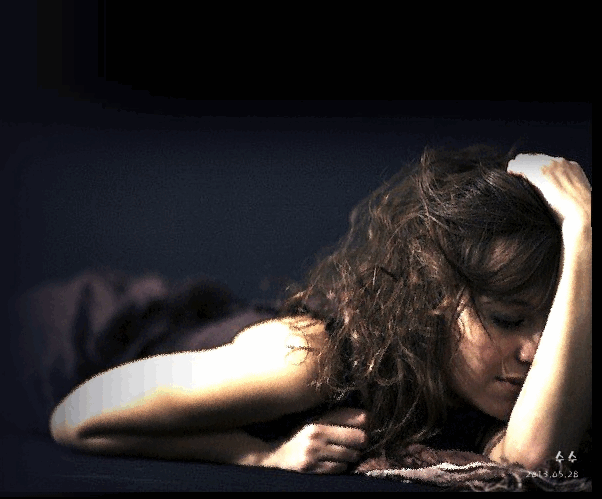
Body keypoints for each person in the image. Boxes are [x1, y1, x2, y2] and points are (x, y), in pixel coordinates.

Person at [48, 145, 591, 475]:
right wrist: (255, 456)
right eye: (507, 319)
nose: (536, 353)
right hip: (73, 335)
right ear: (436, 303)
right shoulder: (306, 359)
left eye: (553, 322)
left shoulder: (490, 388)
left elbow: (531, 462)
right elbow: (76, 418)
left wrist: (583, 230)